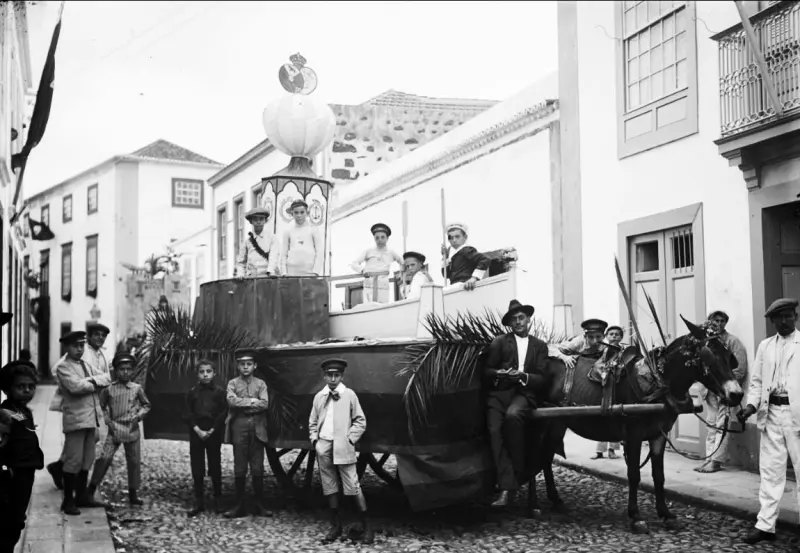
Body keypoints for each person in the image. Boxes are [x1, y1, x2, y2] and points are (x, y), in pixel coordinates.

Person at [738, 298, 800, 546]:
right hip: (771, 413)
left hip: (797, 417)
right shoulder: (765, 346)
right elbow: (756, 383)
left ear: (795, 317)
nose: (784, 322)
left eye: (788, 317)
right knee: (770, 473)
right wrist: (750, 406)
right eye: (779, 318)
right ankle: (765, 525)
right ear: (772, 321)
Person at [484, 300, 549, 507]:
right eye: (514, 319)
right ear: (510, 323)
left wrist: (523, 376)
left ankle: (515, 477)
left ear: (528, 319)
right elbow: (485, 371)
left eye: (521, 317)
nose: (518, 322)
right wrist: (499, 373)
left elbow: (542, 378)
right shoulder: (500, 342)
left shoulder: (539, 346)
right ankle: (508, 484)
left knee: (513, 416)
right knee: (494, 430)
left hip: (524, 393)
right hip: (500, 393)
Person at [308, 358, 371, 544]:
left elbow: (360, 421)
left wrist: (350, 439)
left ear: (342, 376)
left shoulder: (349, 395)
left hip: (343, 446)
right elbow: (312, 422)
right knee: (329, 485)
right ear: (324, 376)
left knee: (352, 484)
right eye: (330, 375)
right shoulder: (319, 396)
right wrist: (315, 441)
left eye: (336, 375)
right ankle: (335, 525)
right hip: (324, 445)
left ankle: (367, 525)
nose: (333, 379)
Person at [46, 322, 111, 494]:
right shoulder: (67, 364)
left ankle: (79, 493)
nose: (100, 338)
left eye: (103, 336)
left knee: (87, 457)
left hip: (92, 414)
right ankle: (67, 491)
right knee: (74, 456)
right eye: (97, 335)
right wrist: (93, 383)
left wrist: (90, 382)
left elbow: (107, 377)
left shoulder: (92, 360)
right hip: (77, 414)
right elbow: (75, 386)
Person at [83, 353, 151, 507]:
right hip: (114, 430)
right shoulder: (109, 389)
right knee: (104, 459)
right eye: (122, 369)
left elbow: (146, 405)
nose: (125, 372)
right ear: (116, 370)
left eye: (128, 369)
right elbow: (101, 406)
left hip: (132, 429)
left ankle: (133, 493)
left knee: (133, 462)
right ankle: (91, 489)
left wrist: (138, 416)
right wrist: (107, 420)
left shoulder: (137, 389)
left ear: (133, 371)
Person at [693, 310, 749, 474]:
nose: (718, 324)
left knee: (721, 425)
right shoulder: (707, 342)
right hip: (710, 390)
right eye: (715, 320)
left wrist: (727, 387)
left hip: (725, 390)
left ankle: (716, 461)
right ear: (709, 322)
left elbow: (739, 369)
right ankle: (709, 458)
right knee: (710, 425)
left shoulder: (733, 342)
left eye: (722, 320)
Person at [0, 361, 44, 553]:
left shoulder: (22, 410)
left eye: (31, 386)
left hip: (26, 469)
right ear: (7, 389)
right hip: (14, 472)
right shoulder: (8, 413)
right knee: (12, 519)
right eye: (20, 386)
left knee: (18, 517)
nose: (27, 390)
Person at [225, 348, 271, 518]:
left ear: (254, 366)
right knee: (240, 466)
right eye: (242, 364)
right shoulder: (232, 384)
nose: (245, 367)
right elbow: (231, 401)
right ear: (238, 366)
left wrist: (243, 402)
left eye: (249, 364)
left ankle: (259, 504)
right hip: (240, 425)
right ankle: (239, 504)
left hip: (258, 426)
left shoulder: (260, 384)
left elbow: (265, 403)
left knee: (258, 466)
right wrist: (252, 401)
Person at [184, 359, 228, 517]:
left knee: (215, 465)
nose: (205, 375)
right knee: (197, 466)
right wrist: (197, 429)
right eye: (202, 372)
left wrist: (212, 430)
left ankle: (218, 500)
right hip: (196, 433)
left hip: (213, 433)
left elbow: (223, 413)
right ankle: (199, 501)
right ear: (197, 374)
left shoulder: (220, 392)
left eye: (208, 371)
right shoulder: (192, 392)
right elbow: (187, 413)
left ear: (213, 373)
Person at [591, 325, 625, 460]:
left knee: (615, 419)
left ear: (621, 337)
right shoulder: (603, 349)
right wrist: (605, 370)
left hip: (617, 388)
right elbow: (598, 364)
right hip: (605, 386)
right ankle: (599, 451)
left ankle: (612, 450)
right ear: (607, 336)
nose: (614, 336)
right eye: (611, 334)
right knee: (602, 419)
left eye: (617, 334)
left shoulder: (623, 350)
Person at [349, 223, 404, 304]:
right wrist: (362, 270)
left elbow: (402, 262)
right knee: (369, 308)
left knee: (382, 309)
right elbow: (354, 264)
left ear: (387, 238)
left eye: (382, 237)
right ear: (374, 238)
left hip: (383, 287)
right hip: (369, 286)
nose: (380, 240)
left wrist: (401, 273)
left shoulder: (391, 252)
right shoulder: (368, 251)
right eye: (377, 237)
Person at [279, 199, 324, 276]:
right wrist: (284, 272)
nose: (299, 215)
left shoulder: (313, 228)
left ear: (307, 213)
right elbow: (284, 253)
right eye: (296, 213)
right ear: (292, 213)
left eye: (302, 212)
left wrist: (316, 272)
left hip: (309, 272)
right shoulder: (288, 230)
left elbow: (319, 252)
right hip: (292, 272)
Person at [440, 222, 489, 291]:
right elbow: (446, 274)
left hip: (464, 286)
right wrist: (445, 257)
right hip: (455, 287)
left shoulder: (466, 250)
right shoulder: (453, 255)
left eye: (457, 236)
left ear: (465, 237)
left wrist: (474, 278)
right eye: (450, 237)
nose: (454, 240)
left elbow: (485, 259)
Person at [235, 206, 278, 279]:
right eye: (255, 219)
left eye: (261, 219)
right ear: (251, 221)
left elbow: (273, 256)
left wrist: (271, 271)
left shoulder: (272, 238)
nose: (258, 221)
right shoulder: (247, 242)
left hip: (267, 277)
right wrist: (240, 273)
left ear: (265, 220)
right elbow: (241, 262)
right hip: (252, 278)